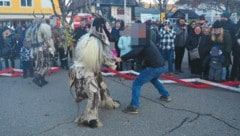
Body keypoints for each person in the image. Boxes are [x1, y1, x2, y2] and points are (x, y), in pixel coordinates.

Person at [69, 16, 120, 128]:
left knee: (102, 85)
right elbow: (107, 56)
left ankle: (107, 102)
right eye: (106, 25)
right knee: (94, 94)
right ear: (102, 26)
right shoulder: (99, 39)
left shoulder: (87, 36)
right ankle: (90, 118)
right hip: (87, 70)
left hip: (85, 69)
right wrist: (115, 63)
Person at [115, 21, 171, 115]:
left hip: (154, 67)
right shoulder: (145, 40)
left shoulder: (141, 42)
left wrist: (121, 58)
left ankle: (134, 106)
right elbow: (138, 55)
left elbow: (135, 52)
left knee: (137, 83)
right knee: (154, 80)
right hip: (160, 66)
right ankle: (165, 95)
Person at [25, 16, 55, 87]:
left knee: (39, 65)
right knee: (46, 65)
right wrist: (52, 48)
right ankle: (37, 78)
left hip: (33, 49)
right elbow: (48, 38)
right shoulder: (44, 27)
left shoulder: (31, 28)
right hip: (41, 48)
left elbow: (27, 39)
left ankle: (42, 80)